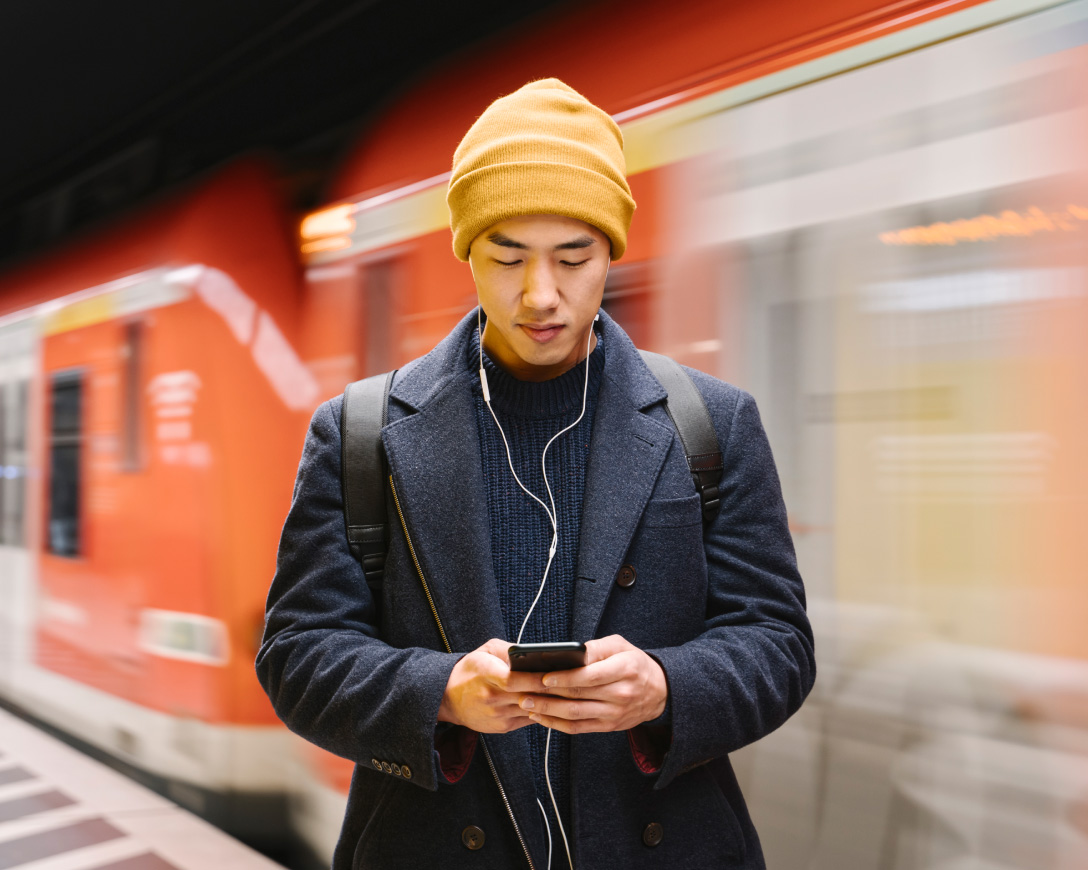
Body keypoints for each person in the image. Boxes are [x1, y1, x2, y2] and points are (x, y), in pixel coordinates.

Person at [257, 78, 815, 870]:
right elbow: (297, 655)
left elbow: (779, 643)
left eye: (574, 257)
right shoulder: (362, 434)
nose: (540, 294)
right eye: (507, 256)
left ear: (612, 251)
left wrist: (664, 685)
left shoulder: (711, 423)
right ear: (469, 254)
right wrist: (441, 693)